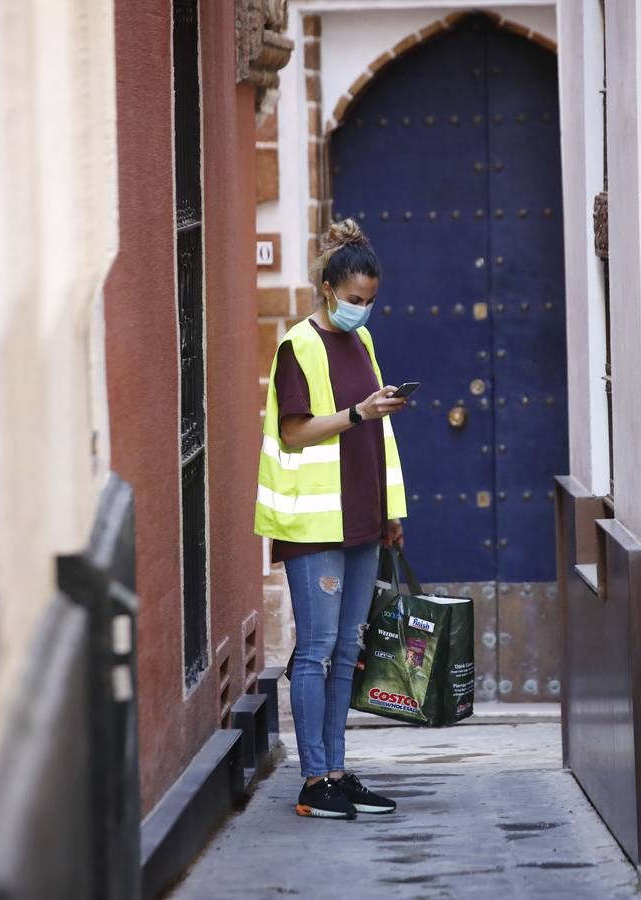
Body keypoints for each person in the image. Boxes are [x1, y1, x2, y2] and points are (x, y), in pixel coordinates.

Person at [254, 219, 409, 820]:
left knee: (347, 648)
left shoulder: (361, 343)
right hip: (314, 523)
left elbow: (380, 437)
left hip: (363, 517)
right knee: (316, 649)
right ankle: (313, 778)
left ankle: (338, 772)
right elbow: (294, 432)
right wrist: (357, 412)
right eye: (353, 300)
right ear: (327, 290)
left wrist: (392, 511)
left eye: (370, 302)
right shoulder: (298, 345)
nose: (362, 311)